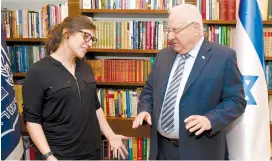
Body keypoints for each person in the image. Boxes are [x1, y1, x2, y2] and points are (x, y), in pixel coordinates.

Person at [132, 4, 247, 160]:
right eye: (168, 30)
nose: (170, 37)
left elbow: (236, 101)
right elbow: (149, 90)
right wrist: (144, 109)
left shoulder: (223, 57)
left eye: (176, 31)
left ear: (196, 29)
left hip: (200, 151)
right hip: (162, 151)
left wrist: (210, 119)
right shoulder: (163, 56)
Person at [23, 15, 128, 160]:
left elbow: (95, 106)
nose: (90, 44)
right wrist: (48, 156)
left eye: (92, 39)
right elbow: (32, 121)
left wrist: (110, 135)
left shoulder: (86, 68)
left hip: (93, 153)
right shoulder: (38, 71)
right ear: (67, 33)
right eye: (86, 36)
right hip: (60, 155)